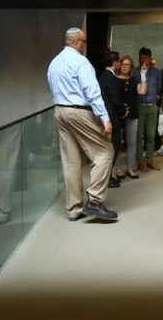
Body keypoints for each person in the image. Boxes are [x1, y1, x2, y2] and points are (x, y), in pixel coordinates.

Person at [46, 28, 117, 221]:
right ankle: (94, 201)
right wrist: (105, 118)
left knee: (71, 161)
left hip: (59, 111)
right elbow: (92, 92)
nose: (85, 45)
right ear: (77, 42)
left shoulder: (54, 62)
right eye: (84, 41)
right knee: (105, 151)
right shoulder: (80, 62)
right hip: (78, 111)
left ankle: (74, 209)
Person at [98, 51, 126, 189]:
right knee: (113, 148)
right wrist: (124, 112)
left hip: (101, 118)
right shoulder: (112, 80)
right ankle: (106, 178)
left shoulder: (101, 77)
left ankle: (106, 177)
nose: (120, 64)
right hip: (112, 118)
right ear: (115, 63)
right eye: (119, 62)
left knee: (105, 149)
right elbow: (116, 101)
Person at [135, 46, 162, 171]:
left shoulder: (157, 72)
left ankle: (150, 159)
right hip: (139, 106)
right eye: (142, 57)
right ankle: (140, 160)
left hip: (152, 107)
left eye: (146, 57)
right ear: (139, 58)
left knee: (151, 135)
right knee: (139, 135)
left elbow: (158, 88)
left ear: (150, 58)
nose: (144, 59)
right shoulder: (135, 72)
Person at [114, 55, 141, 180]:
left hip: (133, 113)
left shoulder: (134, 80)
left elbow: (142, 92)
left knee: (132, 142)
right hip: (118, 114)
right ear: (120, 65)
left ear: (131, 67)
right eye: (123, 64)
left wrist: (144, 75)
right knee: (117, 142)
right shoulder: (114, 79)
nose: (125, 66)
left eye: (127, 65)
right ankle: (117, 169)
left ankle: (130, 168)